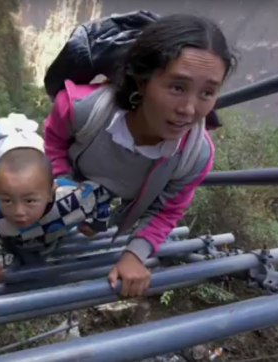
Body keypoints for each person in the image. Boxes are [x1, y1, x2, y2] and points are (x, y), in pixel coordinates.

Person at [43, 14, 237, 297]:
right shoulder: (81, 109)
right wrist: (62, 186)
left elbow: (167, 210)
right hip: (62, 191)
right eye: (177, 87)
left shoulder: (195, 155)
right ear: (143, 81)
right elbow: (54, 140)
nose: (189, 109)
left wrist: (135, 254)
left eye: (207, 92)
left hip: (104, 211)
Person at [0, 120, 111, 284]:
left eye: (30, 200)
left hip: (55, 235)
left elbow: (101, 193)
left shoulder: (71, 200)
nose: (19, 211)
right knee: (18, 276)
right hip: (13, 243)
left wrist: (96, 224)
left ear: (50, 192)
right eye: (7, 200)